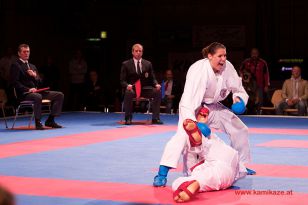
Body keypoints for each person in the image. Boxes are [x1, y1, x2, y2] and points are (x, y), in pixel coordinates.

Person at [153, 42, 254, 187]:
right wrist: (195, 124)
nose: (223, 59)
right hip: (192, 106)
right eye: (220, 56)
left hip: (213, 107)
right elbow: (189, 100)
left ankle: (241, 165)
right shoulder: (198, 70)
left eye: (225, 55)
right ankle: (162, 172)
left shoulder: (228, 67)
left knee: (239, 128)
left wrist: (240, 100)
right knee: (183, 136)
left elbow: (237, 87)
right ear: (210, 56)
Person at [172, 118, 242, 203]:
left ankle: (196, 182)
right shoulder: (216, 140)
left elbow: (190, 167)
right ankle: (199, 141)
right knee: (209, 171)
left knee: (177, 183)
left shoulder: (193, 149)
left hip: (218, 168)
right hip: (231, 163)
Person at [10, 44, 64, 130]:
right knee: (37, 96)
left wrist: (35, 76)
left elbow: (40, 82)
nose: (26, 53)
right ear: (19, 53)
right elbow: (14, 83)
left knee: (59, 95)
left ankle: (50, 120)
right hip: (24, 94)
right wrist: (28, 89)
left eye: (28, 51)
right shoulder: (16, 65)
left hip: (36, 92)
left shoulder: (32, 66)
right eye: (24, 52)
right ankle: (38, 122)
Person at [120, 43, 163, 125]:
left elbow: (152, 78)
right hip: (132, 89)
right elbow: (122, 81)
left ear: (142, 52)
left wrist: (156, 84)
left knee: (157, 92)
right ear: (132, 52)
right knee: (128, 93)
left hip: (145, 89)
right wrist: (127, 85)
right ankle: (128, 118)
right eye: (136, 51)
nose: (138, 53)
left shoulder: (148, 64)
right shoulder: (126, 64)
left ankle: (155, 118)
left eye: (140, 51)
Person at [239, 48, 270, 113]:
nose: (254, 55)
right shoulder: (246, 62)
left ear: (258, 54)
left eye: (255, 54)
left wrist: (266, 85)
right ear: (251, 54)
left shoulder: (263, 62)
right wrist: (243, 78)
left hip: (259, 85)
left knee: (259, 100)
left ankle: (259, 113)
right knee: (247, 99)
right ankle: (246, 112)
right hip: (248, 86)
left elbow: (266, 74)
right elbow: (240, 70)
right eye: (253, 54)